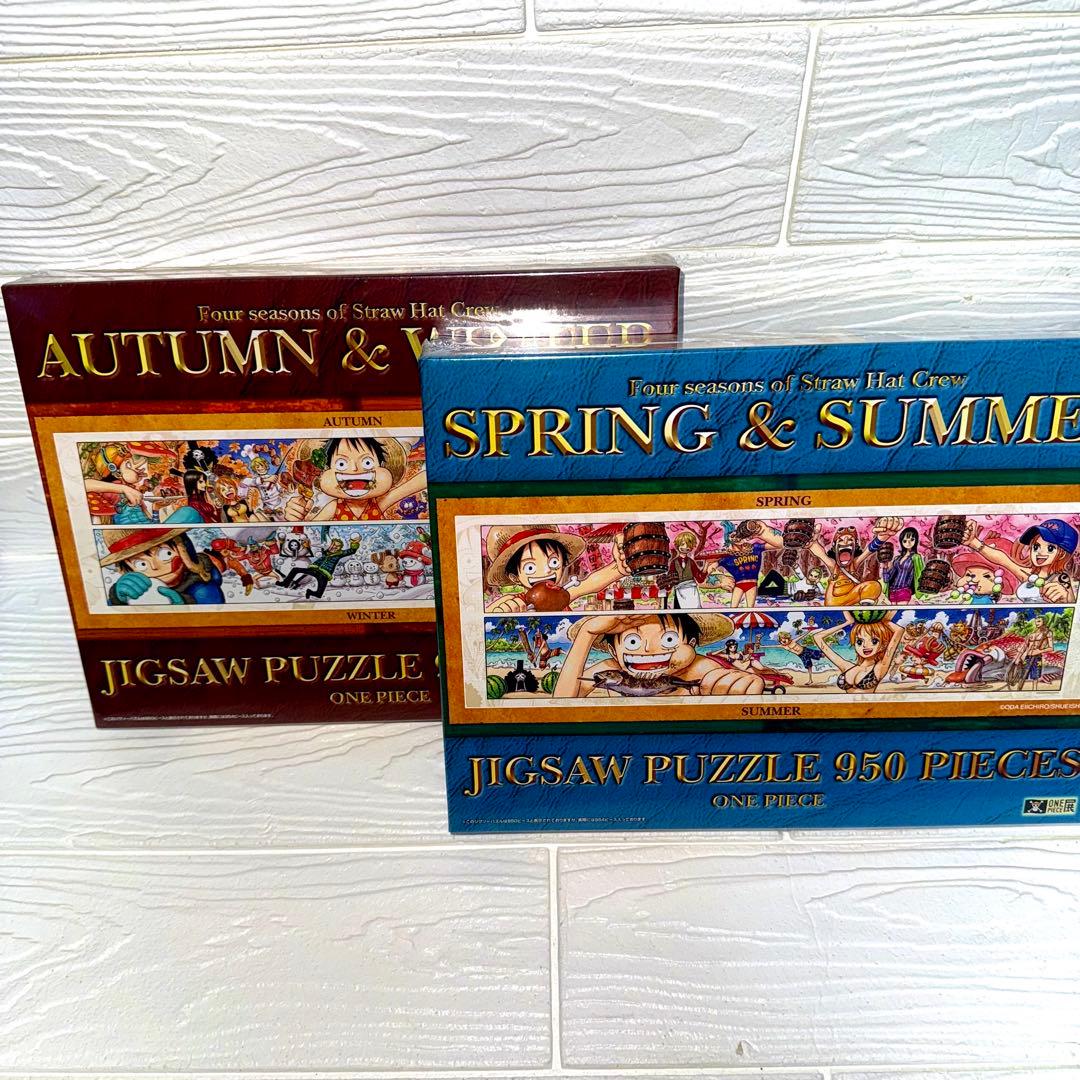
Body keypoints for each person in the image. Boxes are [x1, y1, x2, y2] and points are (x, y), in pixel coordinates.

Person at [552, 612, 763, 698]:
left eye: (668, 639)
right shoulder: (610, 670)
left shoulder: (699, 669)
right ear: (613, 652)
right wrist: (586, 635)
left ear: (691, 645)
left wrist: (736, 684)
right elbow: (560, 703)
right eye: (632, 642)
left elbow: (720, 680)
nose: (647, 649)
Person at [485, 525, 629, 613]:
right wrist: (502, 612)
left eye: (553, 562)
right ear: (514, 577)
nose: (546, 571)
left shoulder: (560, 596)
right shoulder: (516, 601)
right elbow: (489, 613)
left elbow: (590, 582)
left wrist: (621, 565)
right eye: (530, 567)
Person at [286, 436, 426, 522]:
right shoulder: (334, 507)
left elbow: (417, 482)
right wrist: (296, 516)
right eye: (341, 464)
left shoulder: (379, 503)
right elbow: (312, 527)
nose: (354, 470)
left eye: (367, 462)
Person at [960, 518, 1077, 603]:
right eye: (1036, 546)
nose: (1040, 552)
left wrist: (1065, 599)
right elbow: (1003, 559)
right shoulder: (1028, 574)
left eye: (1050, 548)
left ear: (1062, 554)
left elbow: (1072, 604)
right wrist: (974, 543)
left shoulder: (1061, 578)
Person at [102, 527, 225, 605]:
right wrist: (118, 599)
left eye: (166, 554)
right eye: (141, 564)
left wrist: (183, 606)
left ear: (184, 551)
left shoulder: (201, 588)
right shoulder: (143, 587)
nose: (154, 567)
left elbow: (213, 611)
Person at [808, 612, 903, 693]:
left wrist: (883, 621)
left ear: (883, 645)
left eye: (874, 641)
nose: (865, 646)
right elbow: (817, 637)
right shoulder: (846, 666)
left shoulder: (880, 667)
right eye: (859, 642)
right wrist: (848, 622)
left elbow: (899, 630)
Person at [279, 534, 361, 599]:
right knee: (295, 569)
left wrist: (355, 542)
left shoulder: (340, 554)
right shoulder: (326, 551)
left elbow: (352, 551)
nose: (335, 547)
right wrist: (308, 545)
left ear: (340, 548)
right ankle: (285, 583)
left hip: (324, 574)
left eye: (338, 546)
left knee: (319, 594)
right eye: (333, 544)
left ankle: (309, 592)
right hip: (315, 570)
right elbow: (322, 543)